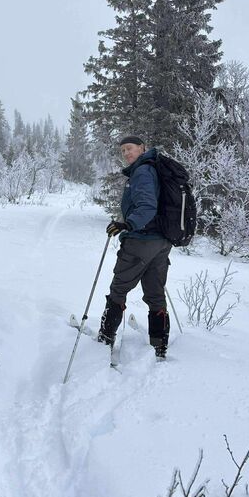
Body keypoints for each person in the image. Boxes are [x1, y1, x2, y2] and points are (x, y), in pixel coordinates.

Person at [97, 135, 173, 359]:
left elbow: (147, 206)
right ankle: (159, 343)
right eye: (123, 151)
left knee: (119, 288)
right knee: (155, 292)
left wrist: (127, 224)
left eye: (130, 148)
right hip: (161, 242)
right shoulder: (155, 168)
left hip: (141, 240)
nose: (127, 154)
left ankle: (105, 337)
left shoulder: (142, 172)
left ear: (142, 148)